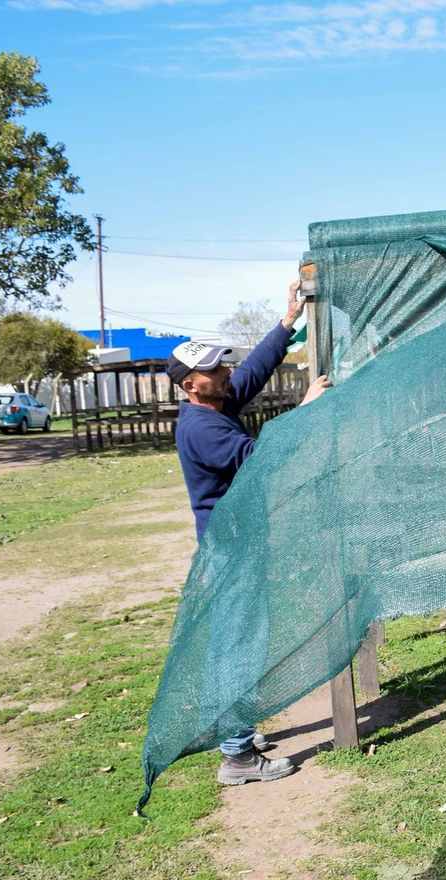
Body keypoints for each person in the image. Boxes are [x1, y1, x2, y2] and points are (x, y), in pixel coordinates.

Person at [167, 279, 331, 786]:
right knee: (237, 644)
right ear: (192, 384)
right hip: (233, 550)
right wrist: (305, 410)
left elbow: (254, 371)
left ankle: (235, 732)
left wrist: (286, 323)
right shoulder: (203, 428)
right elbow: (261, 463)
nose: (225, 371)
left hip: (237, 544)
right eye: (214, 368)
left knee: (237, 641)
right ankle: (236, 756)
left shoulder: (212, 406)